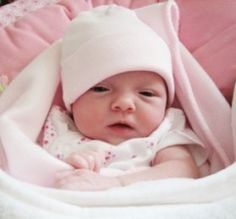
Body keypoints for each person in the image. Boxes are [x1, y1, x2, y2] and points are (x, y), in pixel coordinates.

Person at [42, 5, 208, 191]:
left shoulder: (161, 135)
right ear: (73, 99)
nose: (124, 104)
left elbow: (184, 170)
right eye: (101, 89)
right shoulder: (61, 130)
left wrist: (117, 184)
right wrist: (70, 165)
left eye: (146, 93)